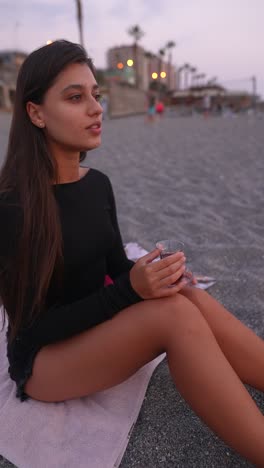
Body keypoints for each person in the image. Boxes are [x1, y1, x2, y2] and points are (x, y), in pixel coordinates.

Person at [0, 40, 263, 466]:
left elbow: (115, 268)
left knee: (184, 296)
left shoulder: (97, 184)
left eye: (95, 96)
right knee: (172, 315)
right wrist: (130, 292)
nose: (95, 109)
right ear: (36, 113)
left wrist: (153, 275)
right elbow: (33, 328)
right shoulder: (13, 207)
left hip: (94, 330)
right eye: (75, 97)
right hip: (43, 360)